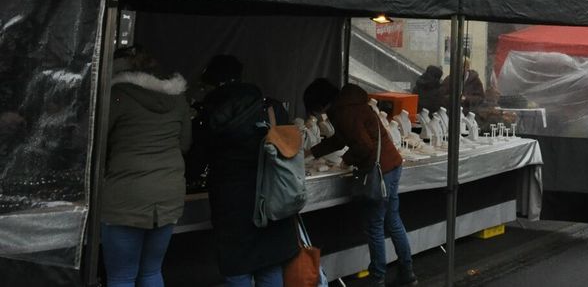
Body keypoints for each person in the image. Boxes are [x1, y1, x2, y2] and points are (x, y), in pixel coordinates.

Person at [191, 55, 298, 286]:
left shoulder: (208, 115)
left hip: (231, 206)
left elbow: (195, 164)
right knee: (270, 267)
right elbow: (292, 148)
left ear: (213, 83)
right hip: (271, 200)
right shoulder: (272, 109)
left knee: (237, 270)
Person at [309, 82, 416, 286]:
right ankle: (407, 271)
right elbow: (340, 139)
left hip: (379, 171)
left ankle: (377, 278)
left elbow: (363, 145)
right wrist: (312, 152)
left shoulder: (343, 112)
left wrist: (346, 160)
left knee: (375, 225)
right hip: (392, 164)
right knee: (393, 220)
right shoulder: (354, 105)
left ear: (322, 103)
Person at [100, 49, 190, 287]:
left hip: (126, 194)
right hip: (168, 191)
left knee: (122, 276)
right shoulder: (178, 98)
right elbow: (185, 143)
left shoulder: (117, 96)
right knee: (151, 271)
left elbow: (95, 142)